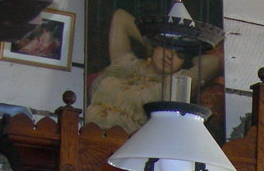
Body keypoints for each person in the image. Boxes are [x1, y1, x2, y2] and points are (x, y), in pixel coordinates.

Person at [85, 8, 222, 133]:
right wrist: (151, 40)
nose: (169, 56)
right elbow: (120, 17)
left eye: (179, 55)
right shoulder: (127, 63)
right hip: (87, 135)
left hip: (124, 146)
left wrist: (190, 53)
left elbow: (212, 63)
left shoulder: (174, 84)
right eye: (166, 47)